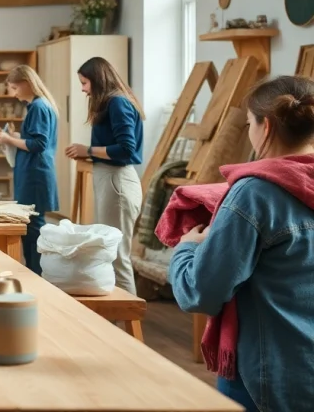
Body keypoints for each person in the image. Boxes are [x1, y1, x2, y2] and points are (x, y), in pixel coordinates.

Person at [169, 75, 314, 412]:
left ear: (266, 127)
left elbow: (201, 292)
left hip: (268, 374)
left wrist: (187, 248)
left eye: (249, 122)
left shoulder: (254, 194)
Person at [65, 56, 144, 295]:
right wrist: (89, 155)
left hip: (117, 181)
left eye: (85, 83)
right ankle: (117, 323)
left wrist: (87, 150)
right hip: (110, 179)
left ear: (98, 81)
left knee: (117, 257)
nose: (83, 89)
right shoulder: (114, 102)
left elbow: (127, 149)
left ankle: (128, 326)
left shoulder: (117, 103)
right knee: (111, 255)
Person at [0, 65, 59, 275]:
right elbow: (33, 140)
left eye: (15, 87)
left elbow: (38, 144)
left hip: (35, 174)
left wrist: (8, 139)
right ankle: (33, 271)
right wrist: (14, 138)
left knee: (32, 227)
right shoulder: (35, 106)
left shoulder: (39, 107)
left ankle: (35, 274)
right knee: (31, 225)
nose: (13, 93)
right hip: (31, 172)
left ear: (27, 83)